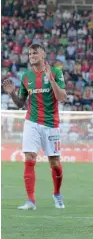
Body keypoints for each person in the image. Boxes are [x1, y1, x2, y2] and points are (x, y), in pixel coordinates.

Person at [2, 44, 67, 210]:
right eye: (30, 53)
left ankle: (57, 193)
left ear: (44, 54)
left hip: (51, 124)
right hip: (31, 122)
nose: (32, 55)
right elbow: (20, 104)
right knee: (29, 158)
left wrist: (51, 79)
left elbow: (62, 97)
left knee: (54, 163)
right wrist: (11, 93)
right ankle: (30, 201)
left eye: (35, 52)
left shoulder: (56, 72)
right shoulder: (26, 76)